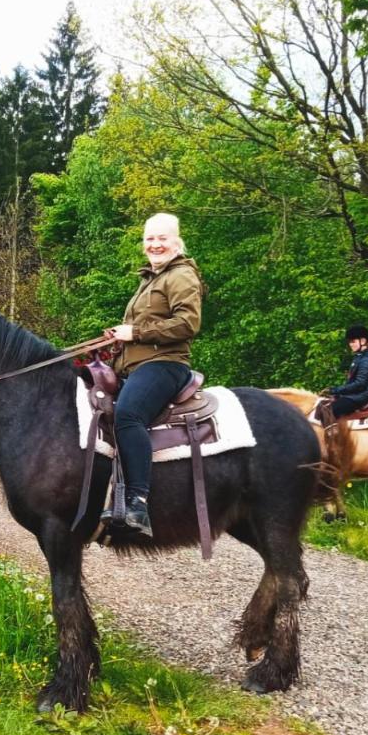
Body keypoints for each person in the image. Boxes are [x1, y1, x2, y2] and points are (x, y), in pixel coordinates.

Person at [100, 213, 205, 537]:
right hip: (138, 365)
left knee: (129, 415)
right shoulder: (152, 278)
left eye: (162, 238)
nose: (155, 244)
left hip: (166, 364)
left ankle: (138, 505)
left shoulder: (181, 275)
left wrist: (136, 332)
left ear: (177, 242)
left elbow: (189, 324)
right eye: (150, 239)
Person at [326, 325, 368, 416]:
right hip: (358, 394)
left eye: (353, 341)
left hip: (363, 395)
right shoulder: (360, 357)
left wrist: (336, 390)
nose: (350, 344)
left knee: (328, 411)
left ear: (363, 341)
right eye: (349, 342)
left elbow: (360, 384)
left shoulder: (366, 360)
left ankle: (332, 431)